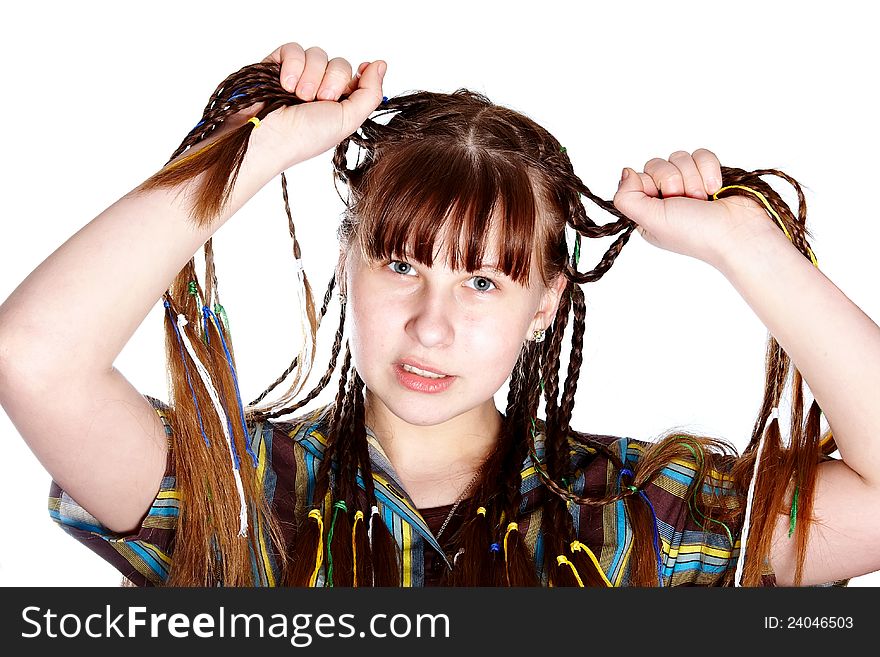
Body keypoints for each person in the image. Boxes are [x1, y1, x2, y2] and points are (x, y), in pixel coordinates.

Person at [1, 41, 879, 588]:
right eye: (401, 263)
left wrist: (748, 247)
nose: (431, 324)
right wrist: (254, 150)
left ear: (546, 304)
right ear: (350, 263)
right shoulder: (235, 490)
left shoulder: (641, 514)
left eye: (484, 282)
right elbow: (34, 356)